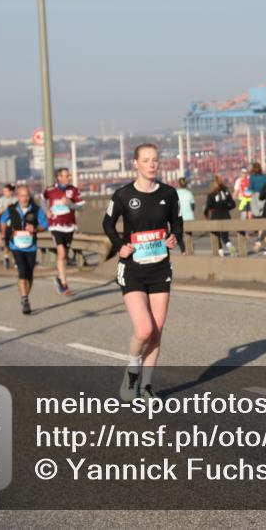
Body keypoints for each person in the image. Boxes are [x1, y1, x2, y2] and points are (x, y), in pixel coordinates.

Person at [102, 143, 183, 401]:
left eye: (155, 160)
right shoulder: (123, 195)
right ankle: (133, 371)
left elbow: (177, 222)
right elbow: (108, 223)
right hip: (134, 269)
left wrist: (174, 238)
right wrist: (119, 246)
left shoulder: (169, 193)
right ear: (135, 163)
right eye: (146, 160)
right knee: (144, 329)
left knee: (157, 330)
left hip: (160, 267)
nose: (151, 164)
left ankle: (147, 386)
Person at [0, 185, 48, 314]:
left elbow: (45, 225)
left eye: (26, 195)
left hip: (30, 246)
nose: (24, 198)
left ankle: (25, 295)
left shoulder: (36, 210)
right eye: (21, 195)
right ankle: (25, 299)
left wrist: (36, 229)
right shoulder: (11, 209)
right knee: (22, 271)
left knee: (29, 273)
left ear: (29, 196)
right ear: (17, 197)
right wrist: (3, 234)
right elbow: (3, 220)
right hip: (15, 245)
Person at [43, 167, 84, 296]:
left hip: (69, 226)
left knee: (64, 254)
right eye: (67, 175)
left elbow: (81, 207)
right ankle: (64, 283)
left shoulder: (73, 190)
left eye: (69, 175)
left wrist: (70, 203)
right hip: (55, 225)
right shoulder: (50, 190)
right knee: (61, 253)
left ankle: (59, 277)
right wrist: (47, 211)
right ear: (59, 177)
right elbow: (43, 200)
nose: (69, 177)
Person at [204, 176, 236, 257]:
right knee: (225, 236)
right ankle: (230, 247)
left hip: (216, 217)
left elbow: (208, 206)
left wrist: (206, 213)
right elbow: (233, 205)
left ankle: (221, 252)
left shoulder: (212, 194)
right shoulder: (226, 192)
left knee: (216, 235)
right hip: (226, 216)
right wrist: (226, 208)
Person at [0, 184, 16, 270]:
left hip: (15, 225)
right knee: (7, 243)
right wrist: (6, 207)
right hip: (5, 225)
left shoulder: (16, 199)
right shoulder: (1, 200)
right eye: (3, 191)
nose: (4, 193)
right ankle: (6, 258)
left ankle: (16, 261)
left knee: (15, 243)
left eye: (6, 191)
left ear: (11, 192)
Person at [175, 177, 195, 254]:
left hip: (180, 217)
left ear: (178, 184)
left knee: (179, 236)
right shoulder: (189, 193)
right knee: (189, 235)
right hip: (189, 217)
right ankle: (191, 251)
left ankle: (183, 251)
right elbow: (193, 206)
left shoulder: (176, 193)